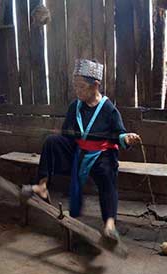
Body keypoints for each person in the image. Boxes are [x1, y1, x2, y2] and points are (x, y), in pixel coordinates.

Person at [22, 59, 141, 240]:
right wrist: (62, 136)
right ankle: (42, 185)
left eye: (82, 87)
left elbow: (119, 134)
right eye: (75, 87)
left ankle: (109, 224)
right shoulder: (75, 106)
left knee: (107, 175)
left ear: (95, 85)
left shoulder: (108, 108)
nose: (77, 91)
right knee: (51, 141)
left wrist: (127, 138)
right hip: (78, 151)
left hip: (101, 154)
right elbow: (68, 134)